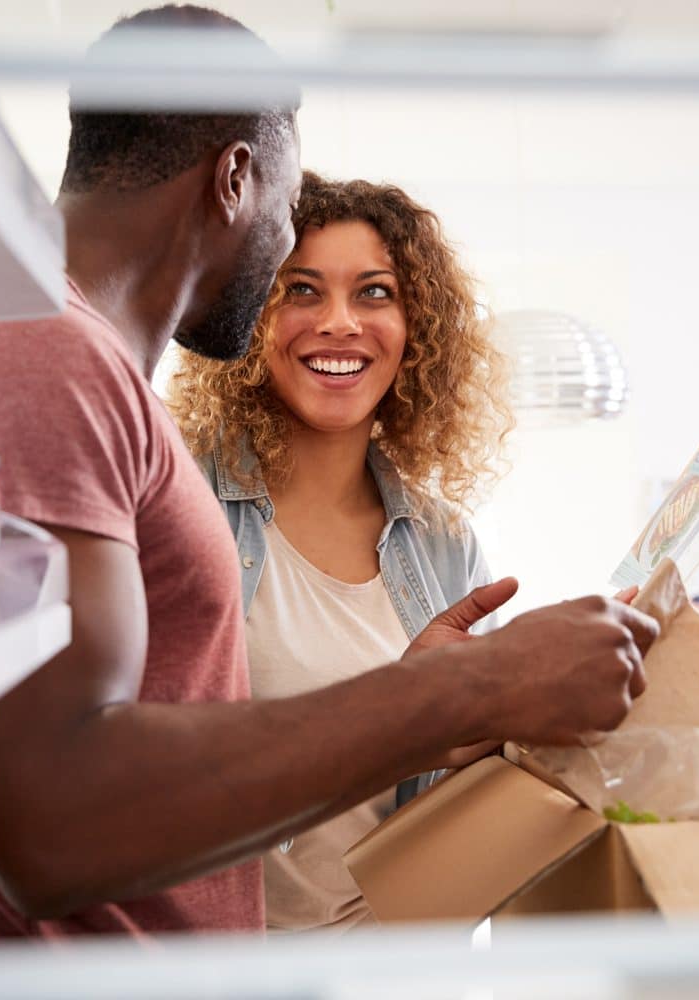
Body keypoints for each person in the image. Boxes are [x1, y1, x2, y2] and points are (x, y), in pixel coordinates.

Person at [0, 4, 659, 940]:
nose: (295, 284)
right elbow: (47, 824)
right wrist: (469, 686)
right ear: (236, 179)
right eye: (289, 221)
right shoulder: (52, 355)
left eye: (372, 293)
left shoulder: (73, 362)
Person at [167, 172, 514, 931]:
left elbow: (478, 794)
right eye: (300, 289)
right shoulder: (178, 502)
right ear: (253, 313)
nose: (339, 323)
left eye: (375, 292)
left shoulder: (444, 543)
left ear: (416, 325)